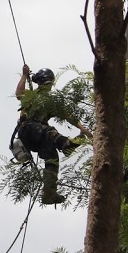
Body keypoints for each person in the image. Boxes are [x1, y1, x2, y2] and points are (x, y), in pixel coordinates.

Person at [14, 64, 88, 205]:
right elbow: (19, 93)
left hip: (38, 139)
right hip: (28, 130)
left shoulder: (51, 102)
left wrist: (85, 130)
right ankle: (66, 145)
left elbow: (68, 116)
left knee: (52, 158)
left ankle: (49, 194)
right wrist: (24, 75)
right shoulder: (32, 95)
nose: (47, 86)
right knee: (49, 131)